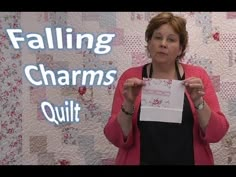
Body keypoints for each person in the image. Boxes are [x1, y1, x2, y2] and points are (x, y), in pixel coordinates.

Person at [103, 12, 229, 165]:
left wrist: (199, 101)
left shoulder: (198, 76)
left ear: (181, 47)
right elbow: (115, 137)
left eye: (171, 39)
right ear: (149, 42)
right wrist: (128, 103)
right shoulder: (130, 78)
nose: (163, 43)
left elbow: (217, 133)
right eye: (157, 37)